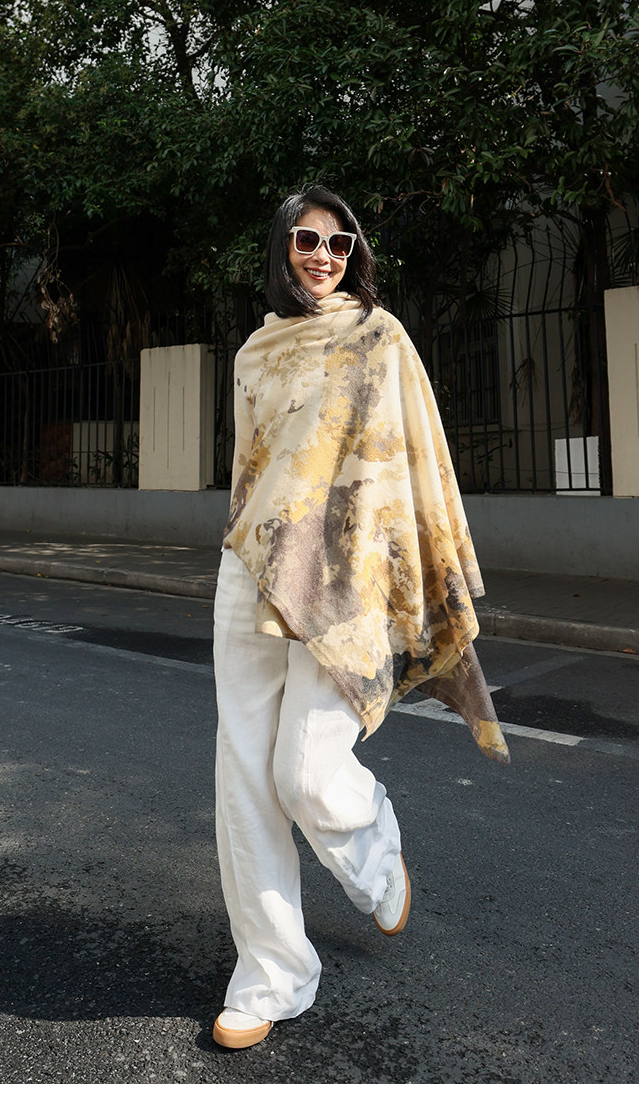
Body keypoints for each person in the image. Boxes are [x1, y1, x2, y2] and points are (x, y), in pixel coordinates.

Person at [212, 185, 509, 1050]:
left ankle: (376, 855)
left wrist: (408, 568)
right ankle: (271, 976)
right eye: (307, 240)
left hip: (347, 576)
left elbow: (415, 455)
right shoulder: (255, 352)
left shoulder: (380, 337)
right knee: (244, 781)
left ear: (354, 255)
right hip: (252, 571)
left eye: (339, 244)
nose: (323, 256)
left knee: (305, 772)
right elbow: (248, 470)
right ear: (281, 247)